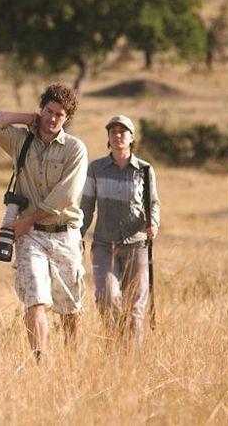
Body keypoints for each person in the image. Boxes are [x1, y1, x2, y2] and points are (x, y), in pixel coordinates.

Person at [0, 84, 88, 360]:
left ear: (67, 119)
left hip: (65, 234)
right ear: (41, 110)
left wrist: (27, 221)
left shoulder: (75, 149)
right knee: (35, 301)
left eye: (60, 114)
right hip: (31, 237)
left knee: (69, 307)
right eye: (48, 111)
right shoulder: (20, 141)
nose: (53, 118)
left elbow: (65, 195)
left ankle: (72, 363)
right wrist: (27, 119)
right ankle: (39, 361)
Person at [80, 115, 160, 346]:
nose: (117, 136)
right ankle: (113, 344)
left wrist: (153, 222)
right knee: (106, 297)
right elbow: (87, 205)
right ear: (108, 137)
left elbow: (153, 202)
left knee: (135, 304)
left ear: (132, 137)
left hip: (137, 244)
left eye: (122, 131)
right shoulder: (96, 168)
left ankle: (130, 358)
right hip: (105, 244)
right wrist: (78, 234)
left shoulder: (144, 170)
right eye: (113, 131)